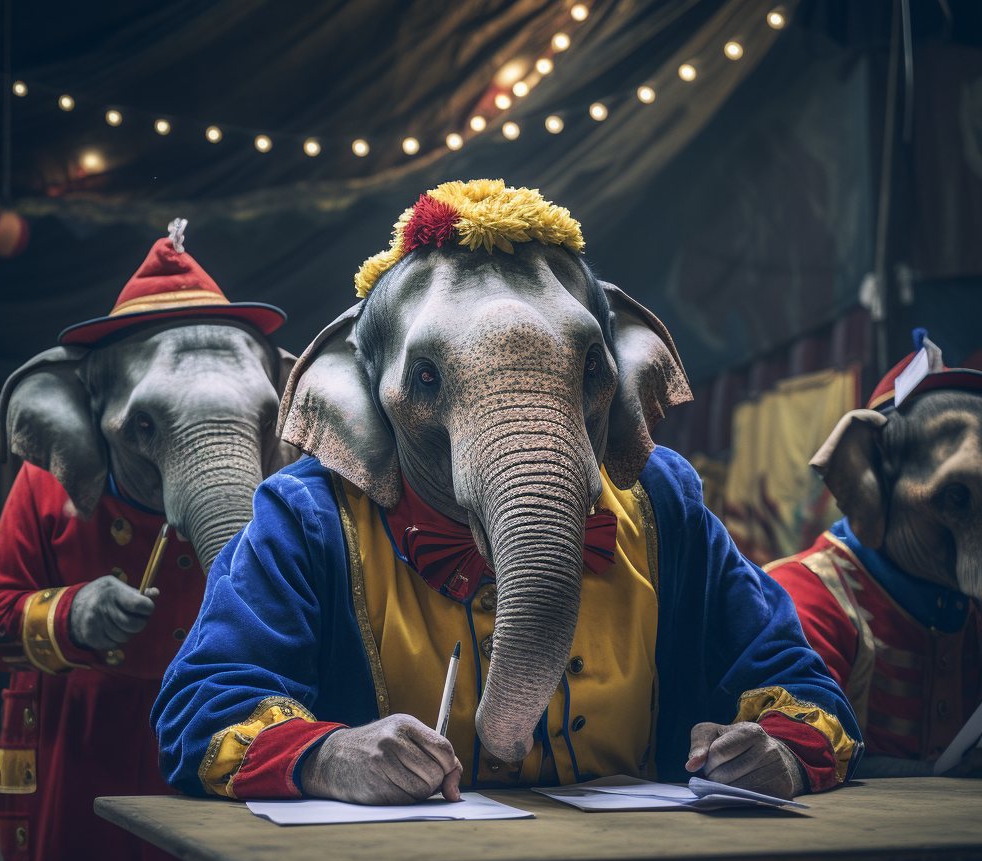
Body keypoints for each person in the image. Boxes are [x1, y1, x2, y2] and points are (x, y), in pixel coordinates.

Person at [153, 181, 862, 808]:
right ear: (352, 406)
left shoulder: (661, 502)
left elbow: (801, 688)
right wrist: (328, 757)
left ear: (624, 382)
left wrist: (777, 751)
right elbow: (199, 712)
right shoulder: (309, 518)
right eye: (427, 378)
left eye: (581, 368)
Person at [0, 223, 288, 861]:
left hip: (214, 748)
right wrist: (71, 615)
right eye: (148, 426)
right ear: (78, 420)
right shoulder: (47, 488)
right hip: (81, 755)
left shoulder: (280, 497)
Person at [767, 332, 982, 775]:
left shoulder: (967, 611)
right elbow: (797, 753)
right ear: (868, 479)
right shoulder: (802, 598)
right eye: (957, 500)